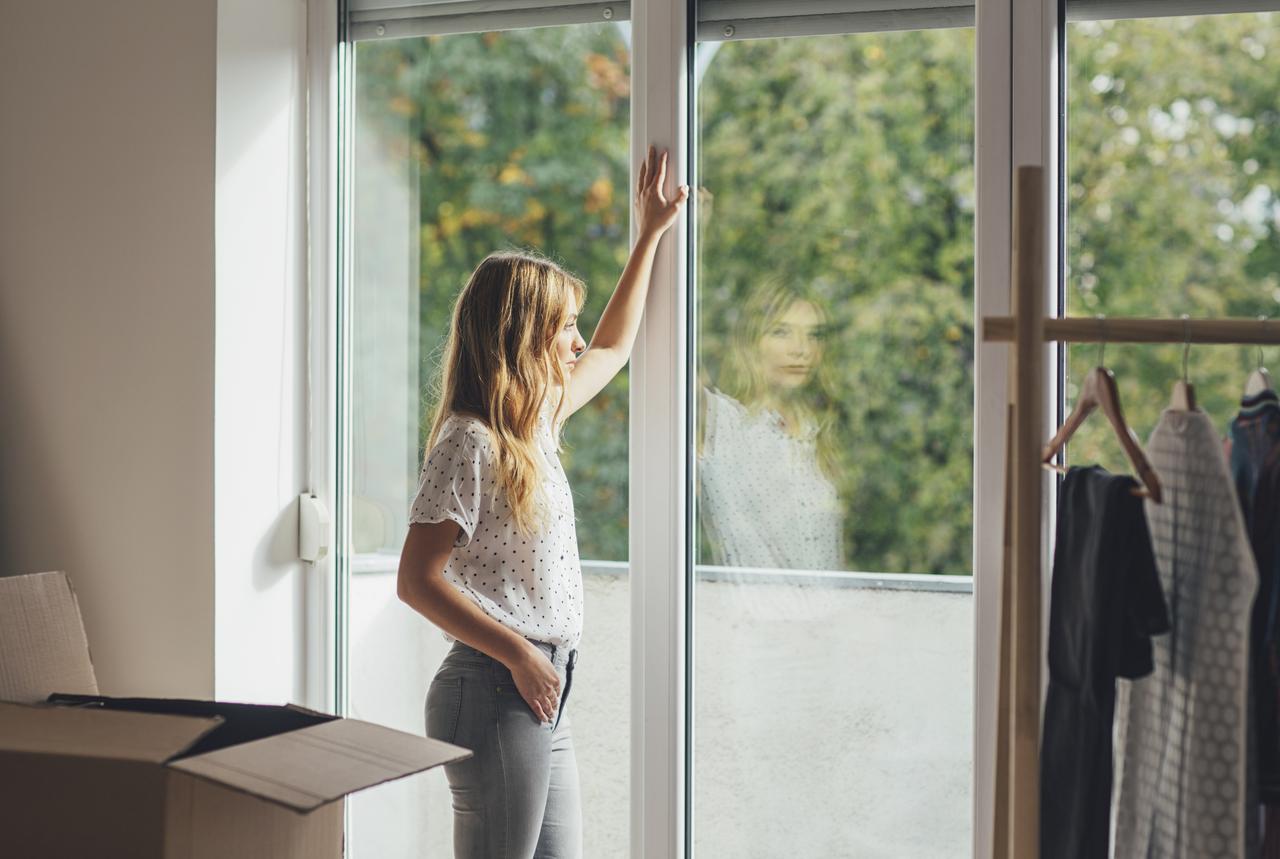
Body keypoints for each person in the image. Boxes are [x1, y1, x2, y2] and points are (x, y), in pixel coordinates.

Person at [396, 145, 686, 859]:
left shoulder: (536, 425)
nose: (575, 342)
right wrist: (520, 653)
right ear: (522, 334)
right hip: (494, 686)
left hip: (538, 686)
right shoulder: (470, 440)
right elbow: (415, 579)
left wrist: (649, 233)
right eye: (562, 327)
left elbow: (614, 348)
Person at [698, 278, 845, 575]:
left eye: (813, 335)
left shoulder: (817, 429)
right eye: (781, 332)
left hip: (829, 617)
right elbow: (664, 349)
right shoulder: (721, 420)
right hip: (752, 618)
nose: (801, 349)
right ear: (751, 341)